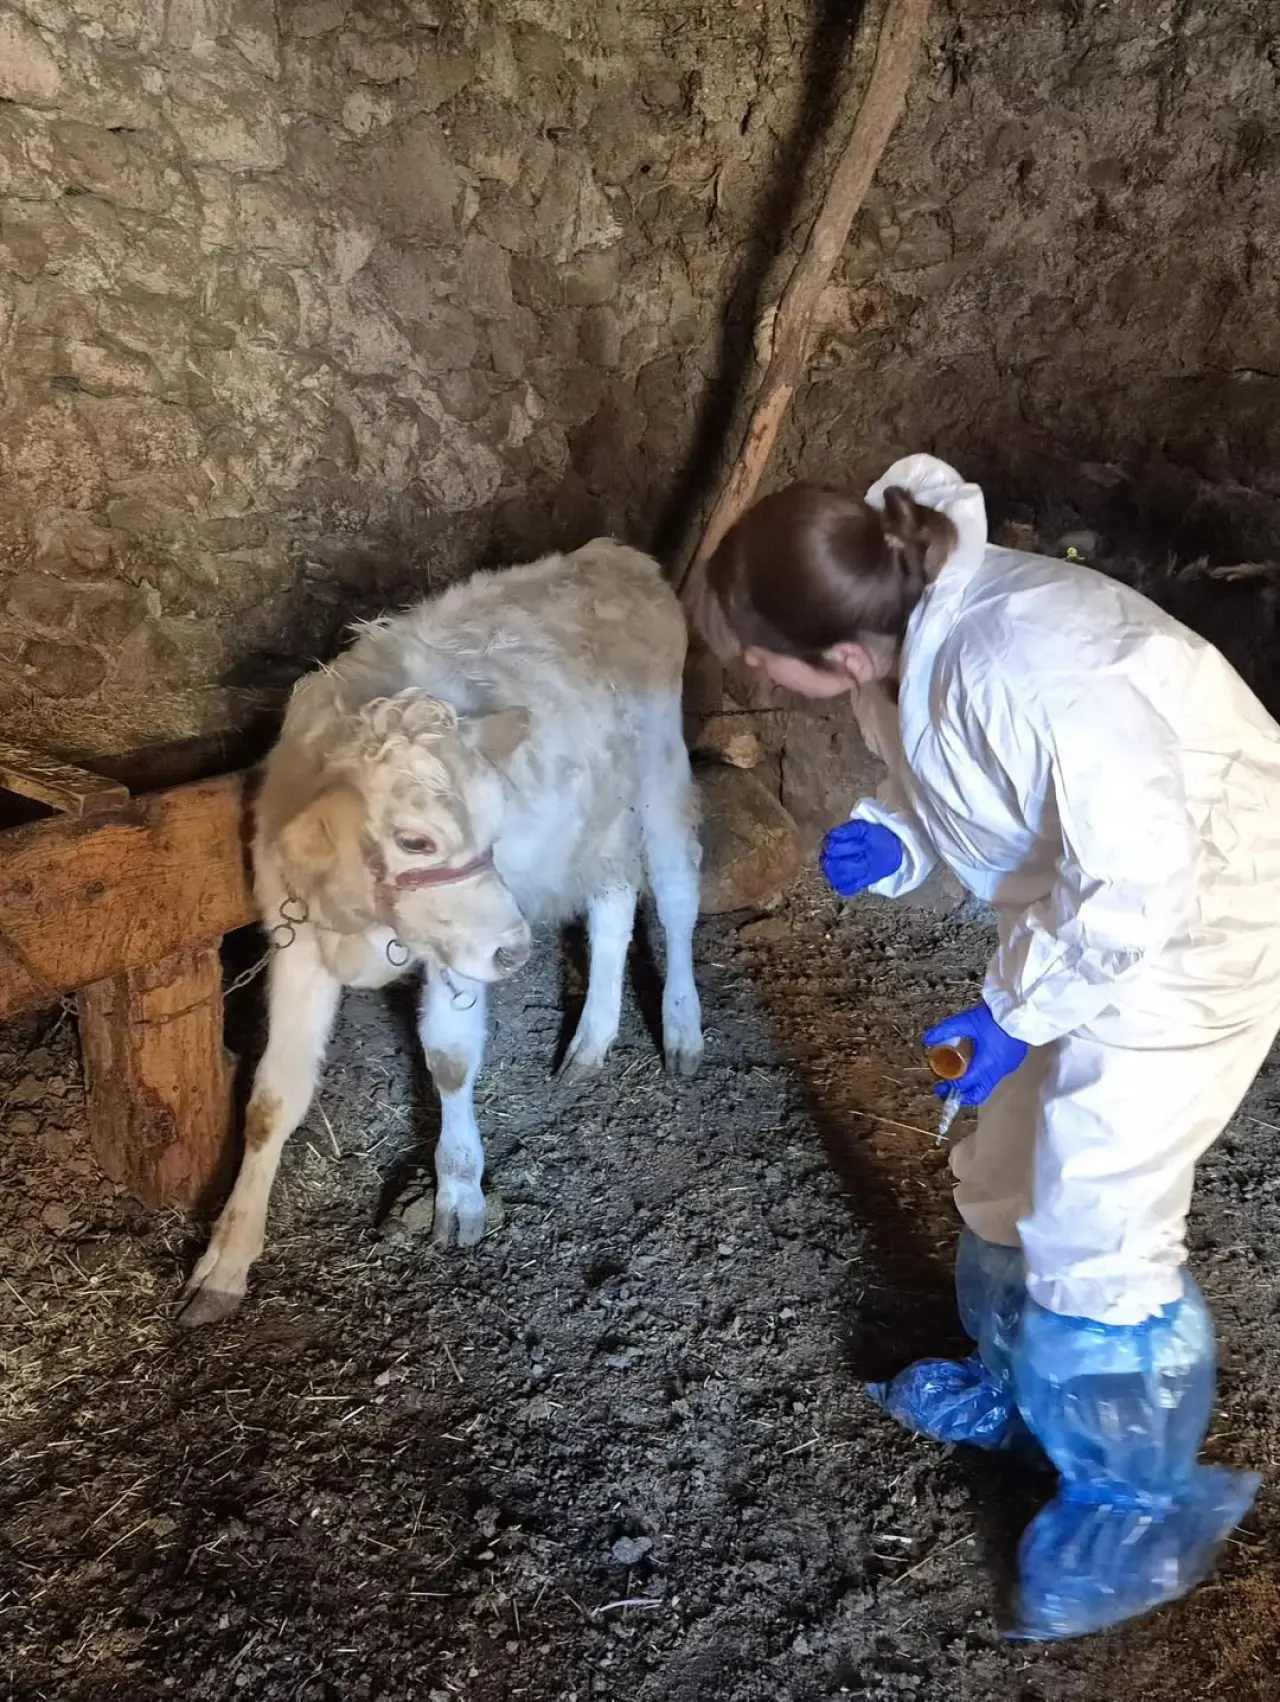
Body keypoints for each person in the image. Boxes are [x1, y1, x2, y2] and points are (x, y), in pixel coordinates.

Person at [684, 452, 1280, 1641]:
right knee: (1003, 1175)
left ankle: (1132, 1508)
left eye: (758, 655)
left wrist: (1013, 1012)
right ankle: (1020, 1387)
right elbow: (970, 781)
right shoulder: (907, 633)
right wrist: (897, 840)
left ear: (838, 651)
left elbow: (1137, 880)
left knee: (1094, 1218)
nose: (752, 671)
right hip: (1084, 922)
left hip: (1196, 931)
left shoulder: (1022, 659)